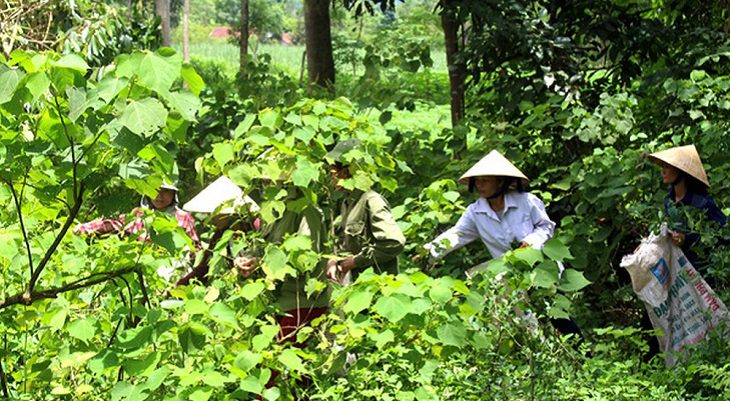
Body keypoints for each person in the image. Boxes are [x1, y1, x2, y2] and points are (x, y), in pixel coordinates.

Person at [420, 150, 582, 338]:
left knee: (555, 314)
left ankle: (583, 355)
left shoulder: (527, 202)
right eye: (477, 181)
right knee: (520, 320)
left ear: (500, 181)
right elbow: (457, 234)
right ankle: (536, 356)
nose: (480, 185)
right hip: (508, 276)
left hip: (540, 268)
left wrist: (530, 242)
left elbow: (546, 227)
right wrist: (429, 252)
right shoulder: (475, 212)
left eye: (485, 180)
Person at [325, 139, 406, 284]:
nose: (331, 178)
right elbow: (346, 244)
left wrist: (357, 261)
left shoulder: (371, 201)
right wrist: (334, 260)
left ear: (345, 172)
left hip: (377, 286)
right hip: (356, 287)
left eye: (333, 172)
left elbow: (395, 243)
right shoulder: (347, 203)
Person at [648, 144, 727, 279]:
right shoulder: (669, 201)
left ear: (679, 170)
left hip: (702, 273)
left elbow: (723, 233)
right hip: (678, 272)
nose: (663, 171)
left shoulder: (701, 203)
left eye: (667, 166)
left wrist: (687, 239)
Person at [176, 176, 260, 286]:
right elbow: (204, 268)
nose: (209, 218)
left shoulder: (256, 227)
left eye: (212, 214)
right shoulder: (220, 235)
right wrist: (178, 286)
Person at [73, 181, 199, 245]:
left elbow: (194, 248)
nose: (159, 196)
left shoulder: (183, 218)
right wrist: (84, 228)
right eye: (155, 190)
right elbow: (114, 224)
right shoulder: (139, 215)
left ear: (173, 194)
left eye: (166, 191)